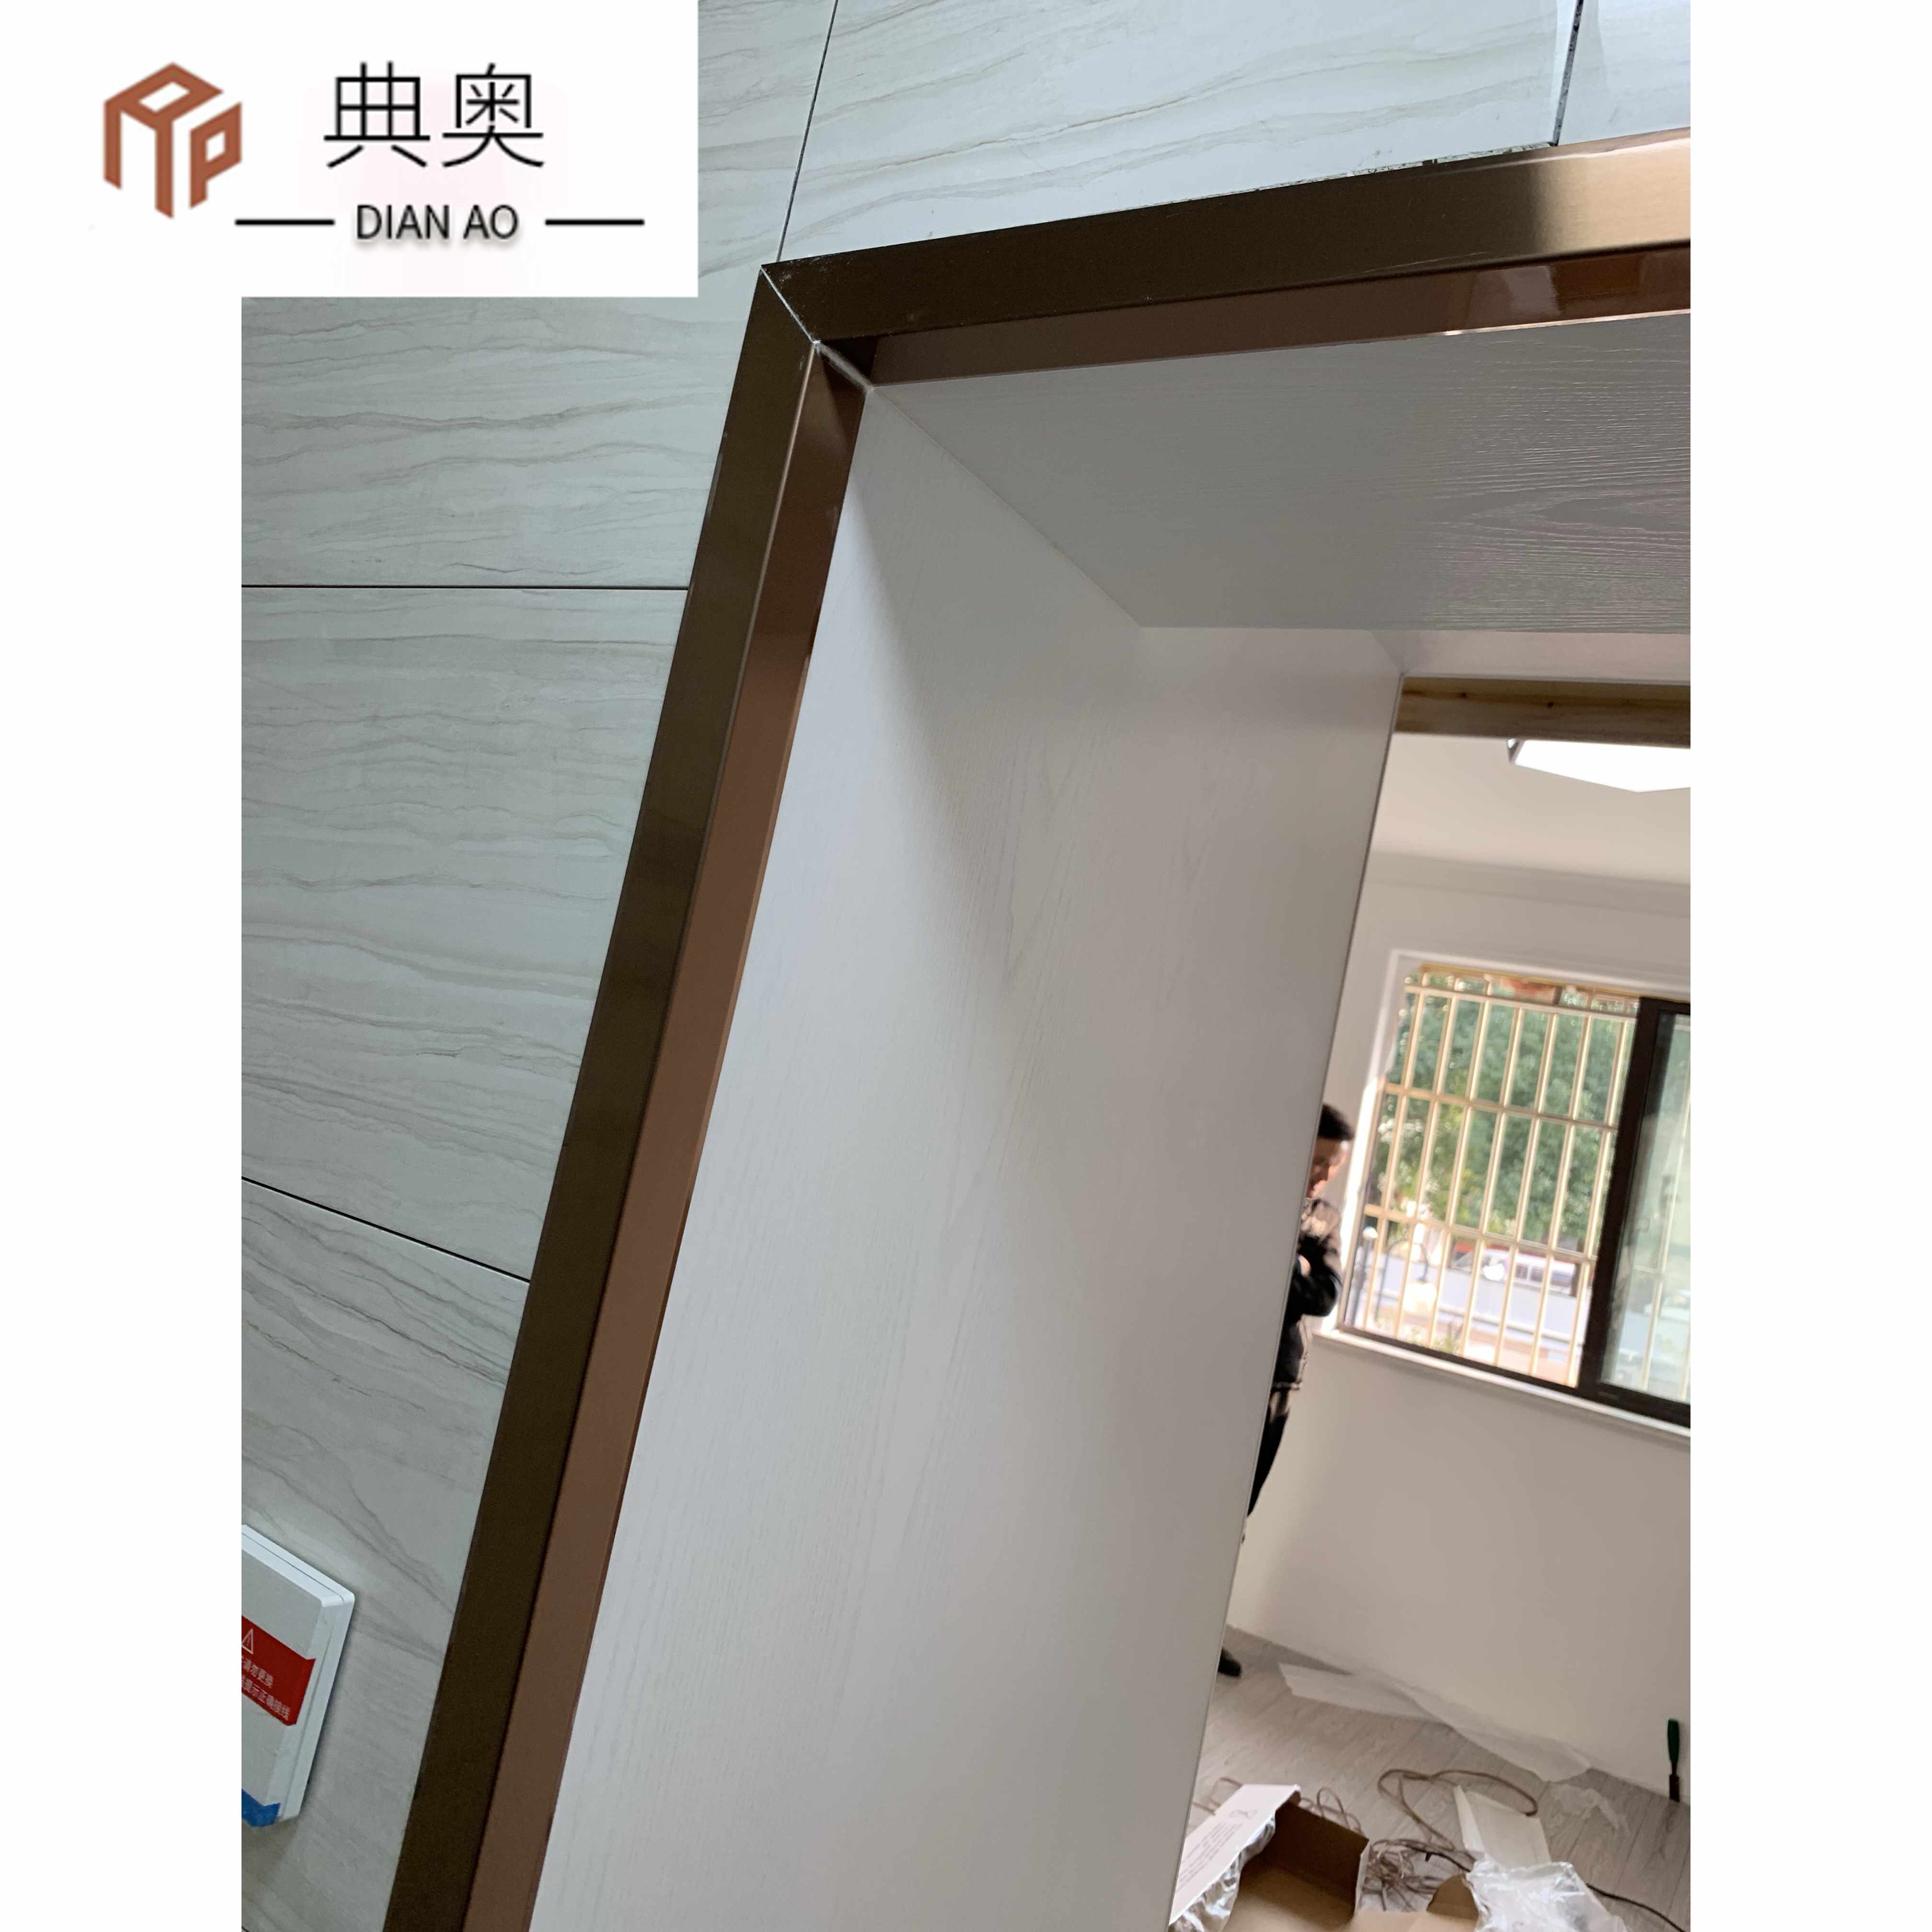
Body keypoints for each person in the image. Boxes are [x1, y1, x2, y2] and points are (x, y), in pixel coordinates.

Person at [1218, 1103, 1354, 1679]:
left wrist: (1294, 1269)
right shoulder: (1247, 1198)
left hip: (1279, 1380)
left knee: (1237, 1514)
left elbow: (1325, 1297)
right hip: (1221, 1371)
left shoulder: (1325, 1219)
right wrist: (1294, 1268)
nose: (1324, 1175)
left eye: (1333, 1166)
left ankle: (1203, 1634)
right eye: (1319, 1161)